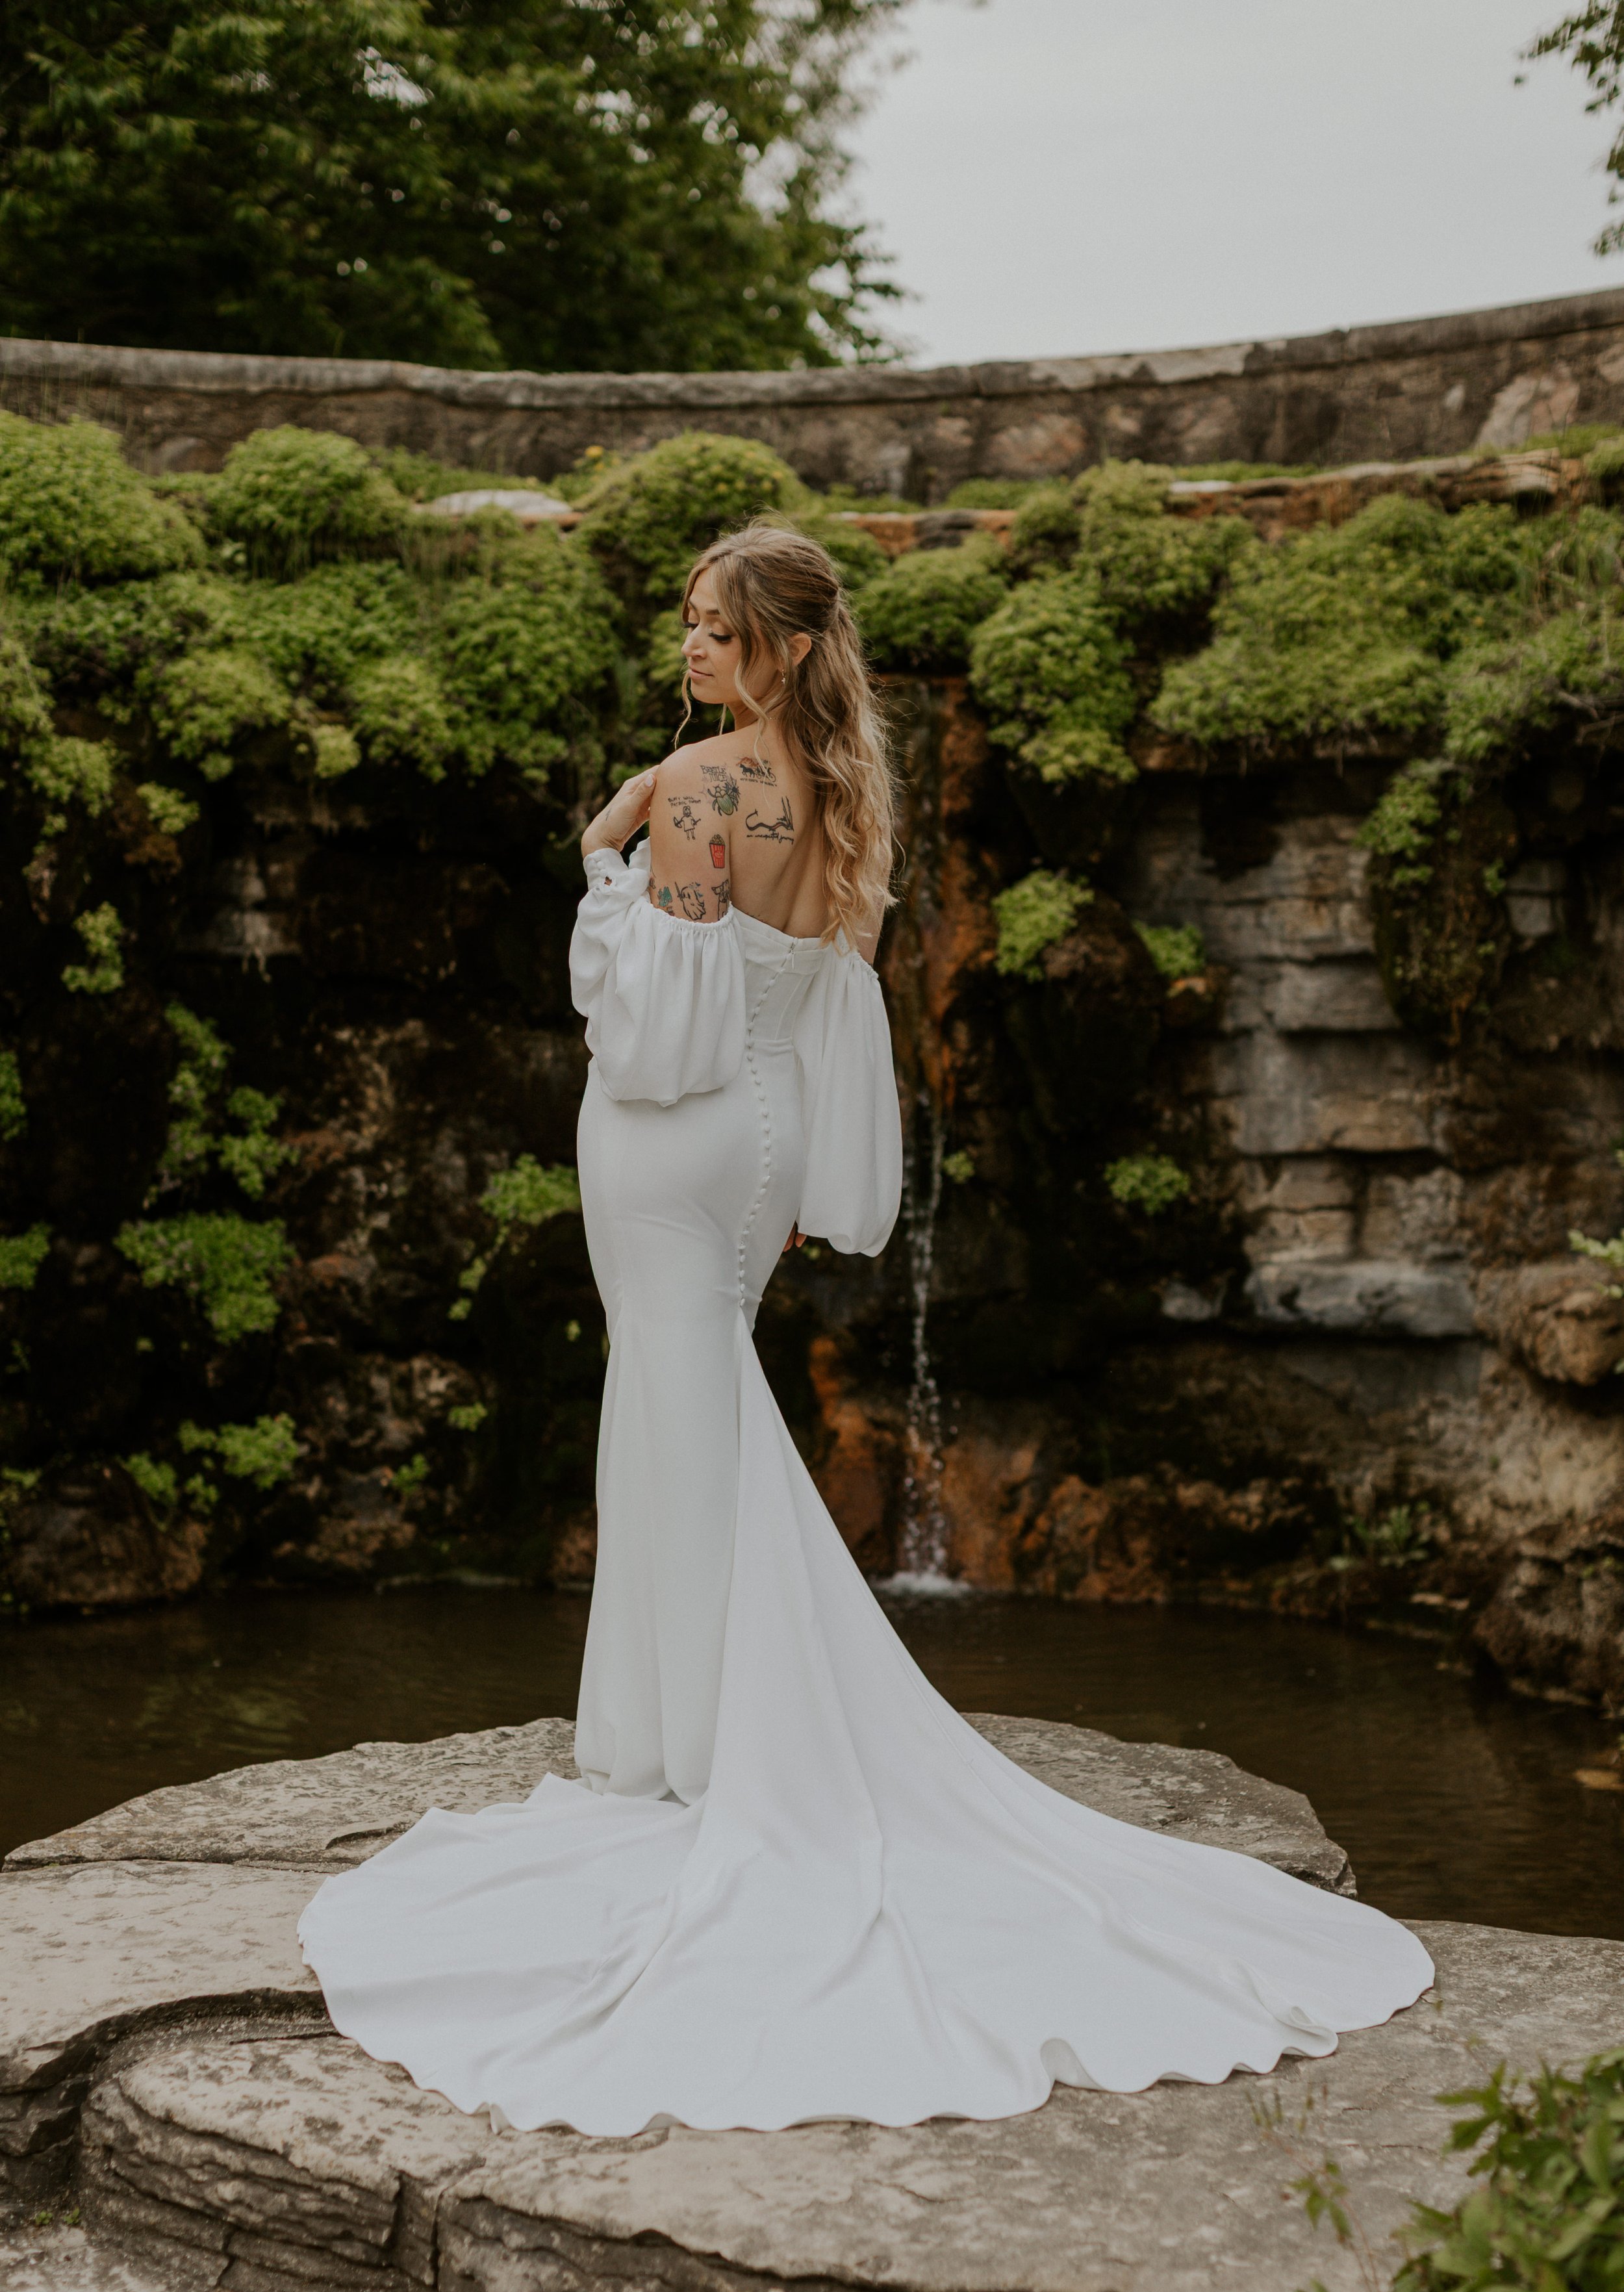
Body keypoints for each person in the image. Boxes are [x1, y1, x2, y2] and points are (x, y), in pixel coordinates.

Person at [299, 523, 1432, 2133]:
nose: (687, 652)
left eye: (710, 631)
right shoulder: (839, 792)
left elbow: (656, 1023)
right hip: (759, 1148)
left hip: (673, 1137)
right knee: (693, 1417)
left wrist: (605, 852)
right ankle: (687, 1730)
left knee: (673, 1421)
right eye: (684, 626)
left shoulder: (703, 787)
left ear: (772, 646)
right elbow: (823, 999)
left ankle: (708, 1750)